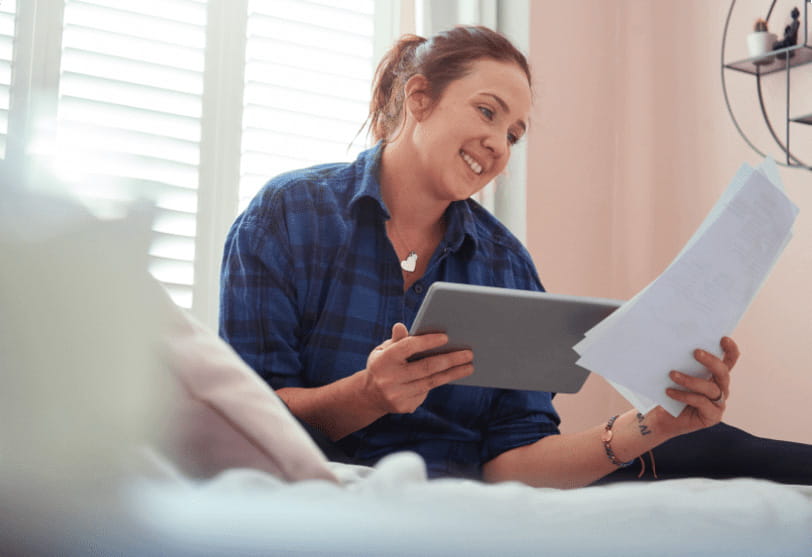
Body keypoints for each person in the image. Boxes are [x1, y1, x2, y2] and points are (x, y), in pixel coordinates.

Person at [220, 25, 810, 488]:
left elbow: (512, 466)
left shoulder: (507, 266)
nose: (499, 145)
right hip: (321, 489)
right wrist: (367, 396)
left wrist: (655, 423)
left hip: (466, 507)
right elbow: (242, 418)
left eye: (515, 134)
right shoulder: (289, 216)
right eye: (487, 112)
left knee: (707, 446)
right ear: (419, 98)